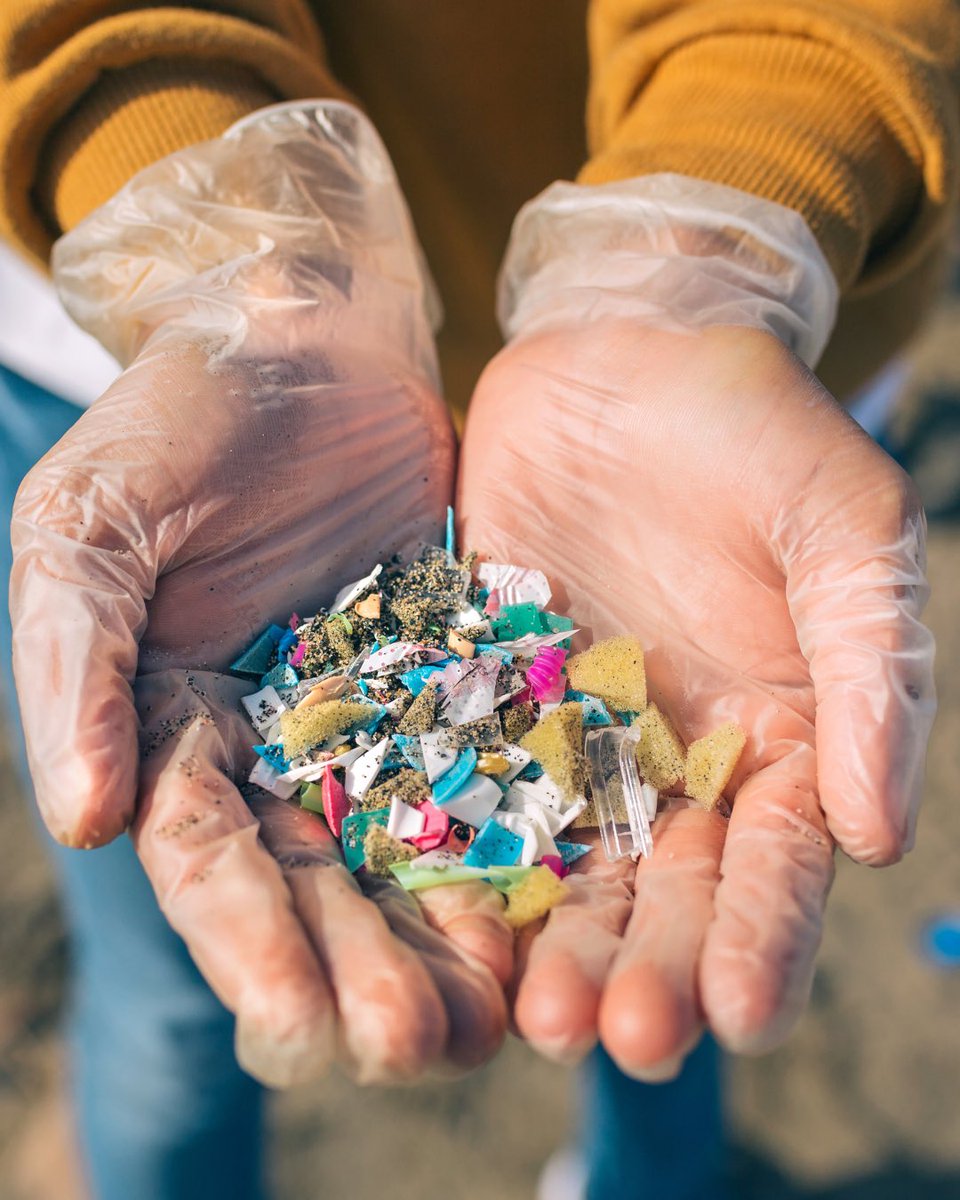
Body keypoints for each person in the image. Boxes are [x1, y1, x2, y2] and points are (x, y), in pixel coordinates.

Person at [0, 3, 950, 1198]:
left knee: (667, 950)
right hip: (166, 351)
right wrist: (221, 261)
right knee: (174, 986)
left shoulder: (580, 693)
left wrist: (706, 259)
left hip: (721, 380)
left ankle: (647, 1173)